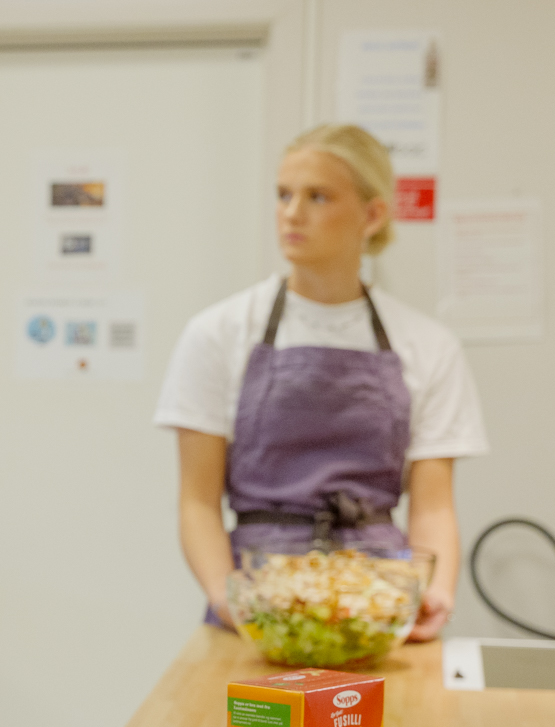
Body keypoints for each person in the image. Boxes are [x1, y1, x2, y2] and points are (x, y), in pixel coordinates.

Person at [154, 124, 487, 639]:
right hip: (257, 597)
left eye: (318, 196)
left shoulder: (428, 344)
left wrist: (431, 590)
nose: (291, 213)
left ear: (372, 214)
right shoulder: (217, 334)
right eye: (284, 194)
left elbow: (434, 504)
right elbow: (197, 502)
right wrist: (228, 598)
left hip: (378, 597)